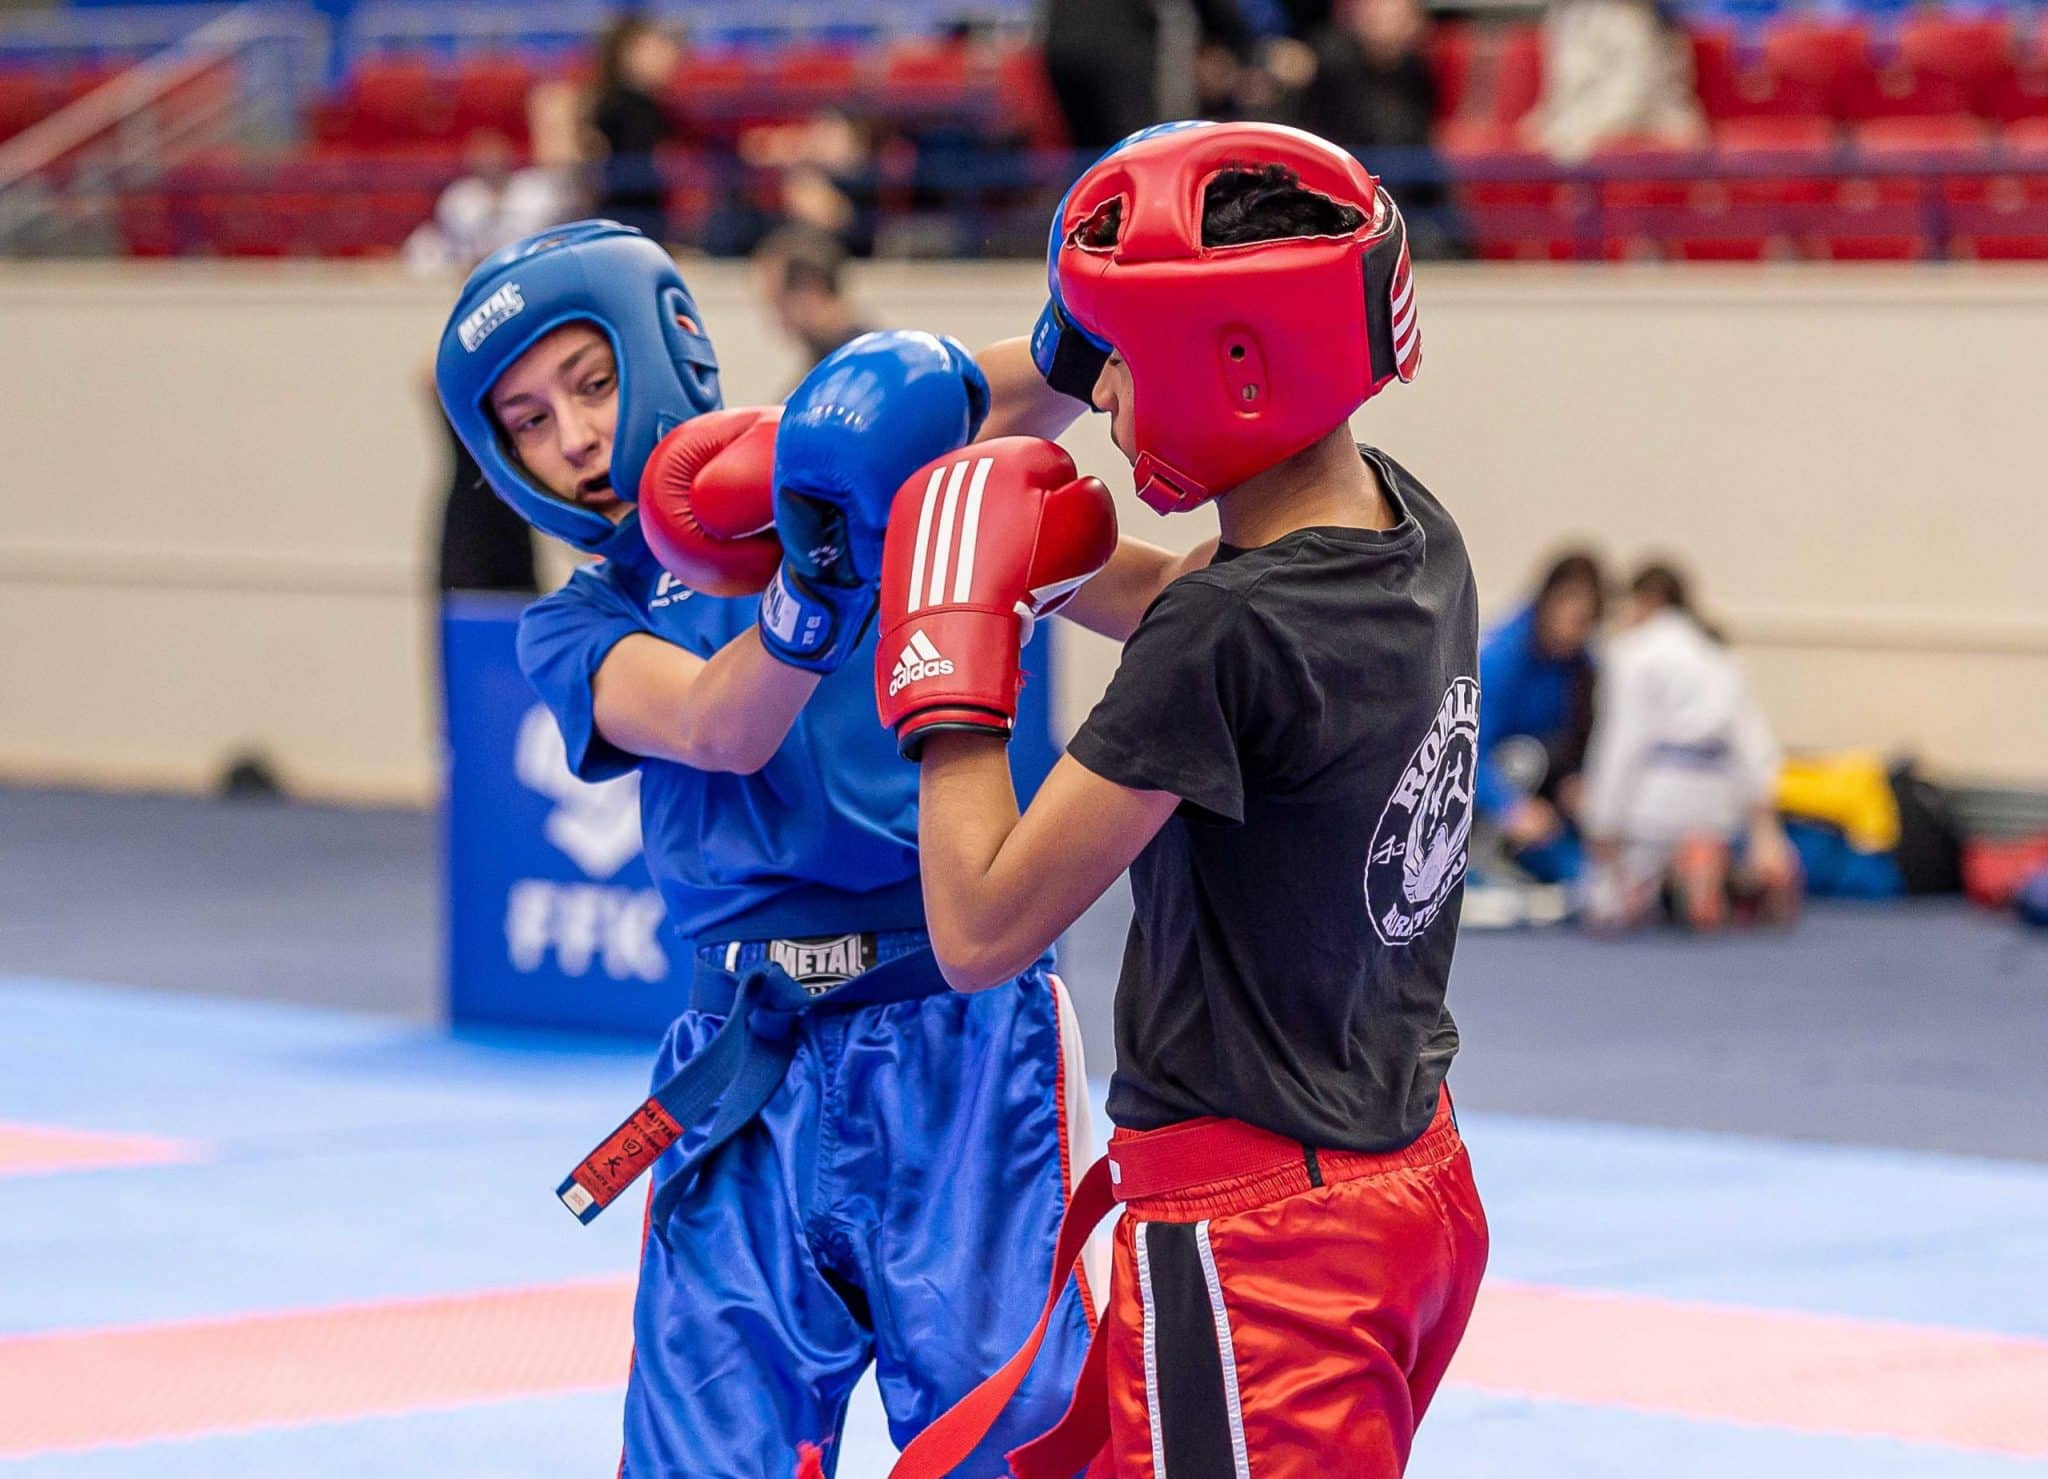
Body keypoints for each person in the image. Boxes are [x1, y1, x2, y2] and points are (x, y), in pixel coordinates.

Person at [433, 222, 1103, 1476]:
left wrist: (1096, 319)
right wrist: (815, 590)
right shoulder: (575, 622)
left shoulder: (823, 453)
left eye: (589, 382)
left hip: (956, 1038)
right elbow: (713, 725)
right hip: (745, 1062)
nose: (572, 437)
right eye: (527, 421)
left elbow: (1000, 387)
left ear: (665, 348)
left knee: (1013, 1448)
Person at [882, 121, 1488, 1479]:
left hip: (1260, 1243)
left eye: (1121, 358)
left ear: (1238, 366)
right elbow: (1204, 618)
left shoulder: (1222, 635)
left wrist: (948, 664)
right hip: (1405, 1178)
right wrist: (1048, 564)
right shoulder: (1403, 523)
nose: (1098, 393)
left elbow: (979, 925)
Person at [1579, 560, 1801, 930]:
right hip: (1715, 801)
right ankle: (1705, 865)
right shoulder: (1719, 655)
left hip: (1654, 802)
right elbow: (1753, 743)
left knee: (1602, 905)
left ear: (1647, 600)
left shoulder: (1632, 653)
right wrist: (1766, 832)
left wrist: (1602, 822)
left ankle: (1647, 885)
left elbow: (1621, 741)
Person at [1475, 547, 1604, 884]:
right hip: (1492, 796)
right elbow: (1466, 751)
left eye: (1585, 622)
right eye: (1570, 614)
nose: (1575, 631)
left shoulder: (1582, 665)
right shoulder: (1500, 657)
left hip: (1544, 796)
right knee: (1524, 759)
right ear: (1548, 602)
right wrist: (1507, 806)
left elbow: (1576, 744)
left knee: (1586, 875)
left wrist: (1575, 783)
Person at [589, 15, 681, 241]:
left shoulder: (658, 109)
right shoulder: (612, 107)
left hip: (648, 217)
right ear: (627, 54)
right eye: (655, 49)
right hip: (623, 217)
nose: (667, 56)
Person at [753, 223, 876, 376]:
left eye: (777, 298)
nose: (772, 311)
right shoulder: (833, 362)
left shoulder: (860, 368)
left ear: (811, 289)